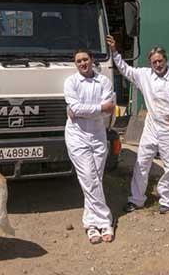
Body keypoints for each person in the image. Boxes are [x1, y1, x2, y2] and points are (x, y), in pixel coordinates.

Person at [106, 35, 169, 214]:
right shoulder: (144, 75)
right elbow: (125, 70)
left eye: (160, 61)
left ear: (166, 60)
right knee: (142, 162)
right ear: (150, 63)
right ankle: (136, 199)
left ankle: (167, 201)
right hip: (151, 126)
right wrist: (114, 52)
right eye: (154, 62)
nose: (158, 65)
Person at [64, 49, 116, 244]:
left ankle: (91, 224)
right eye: (78, 61)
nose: (82, 63)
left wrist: (81, 111)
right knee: (89, 177)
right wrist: (100, 108)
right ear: (75, 64)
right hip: (77, 136)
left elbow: (107, 109)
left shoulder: (104, 81)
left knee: (94, 180)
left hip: (97, 135)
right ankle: (105, 221)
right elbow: (77, 108)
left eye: (85, 59)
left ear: (92, 60)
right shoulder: (71, 82)